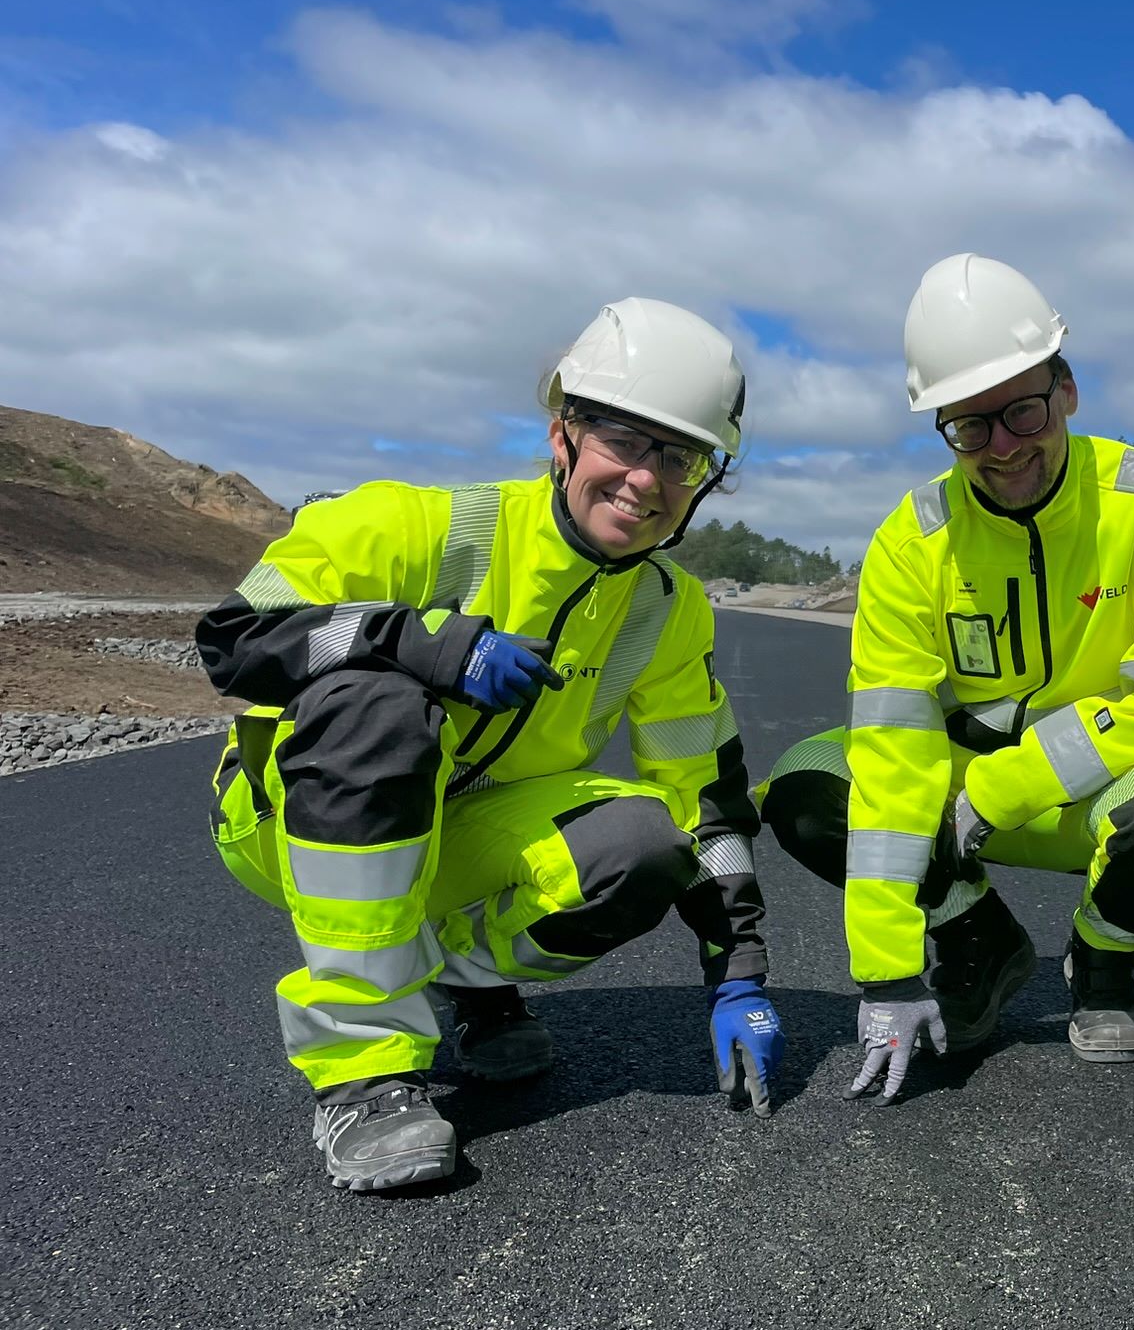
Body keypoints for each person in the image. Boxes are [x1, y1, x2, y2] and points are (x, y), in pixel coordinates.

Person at [198, 298, 785, 1191]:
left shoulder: (668, 609)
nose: (646, 479)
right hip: (295, 821)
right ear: (565, 436)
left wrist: (737, 971)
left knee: (644, 842)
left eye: (680, 457)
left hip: (462, 835)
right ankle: (362, 1072)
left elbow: (705, 794)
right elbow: (235, 638)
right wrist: (420, 642)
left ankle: (457, 983)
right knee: (374, 705)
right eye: (625, 441)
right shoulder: (418, 525)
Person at [760, 254, 1134, 1103]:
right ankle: (977, 942)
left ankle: (1101, 960)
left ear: (1068, 390)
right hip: (954, 795)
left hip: (1093, 793)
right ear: (942, 424)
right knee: (808, 788)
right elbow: (893, 748)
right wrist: (886, 973)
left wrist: (996, 792)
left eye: (1023, 410)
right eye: (970, 427)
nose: (1004, 446)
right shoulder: (911, 544)